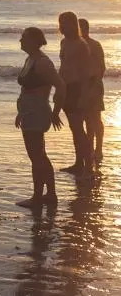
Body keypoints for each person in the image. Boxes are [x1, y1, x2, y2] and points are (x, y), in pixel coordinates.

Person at [15, 27, 66, 208]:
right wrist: (20, 112)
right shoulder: (30, 59)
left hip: (37, 112)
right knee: (39, 155)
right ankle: (50, 194)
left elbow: (61, 86)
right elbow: (26, 90)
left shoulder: (43, 62)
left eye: (24, 38)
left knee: (37, 156)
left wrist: (56, 112)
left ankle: (38, 197)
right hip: (28, 112)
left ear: (35, 41)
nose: (20, 40)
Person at [58, 11, 93, 175]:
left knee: (79, 129)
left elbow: (86, 73)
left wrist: (84, 96)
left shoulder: (81, 45)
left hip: (77, 89)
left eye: (65, 23)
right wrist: (58, 87)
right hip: (65, 88)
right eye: (60, 22)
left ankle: (88, 165)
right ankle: (79, 162)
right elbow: (63, 66)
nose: (62, 26)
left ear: (73, 24)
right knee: (74, 128)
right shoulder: (63, 42)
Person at [79, 18, 106, 163]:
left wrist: (94, 84)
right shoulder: (72, 45)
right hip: (80, 86)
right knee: (85, 119)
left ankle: (99, 149)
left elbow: (101, 67)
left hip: (93, 85)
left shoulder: (95, 45)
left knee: (95, 118)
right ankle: (89, 149)